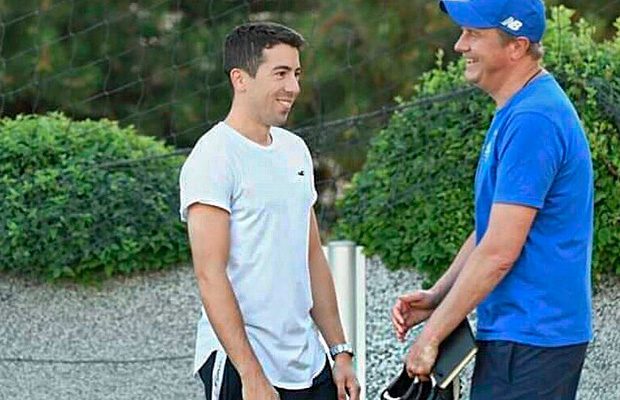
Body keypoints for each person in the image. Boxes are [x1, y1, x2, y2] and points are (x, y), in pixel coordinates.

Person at [391, 1, 594, 399]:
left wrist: (431, 337)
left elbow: (500, 252)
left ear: (516, 46)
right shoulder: (521, 109)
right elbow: (492, 229)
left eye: (474, 34)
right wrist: (438, 298)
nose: (459, 45)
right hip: (523, 335)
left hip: (532, 338)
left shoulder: (533, 120)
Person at [179, 22, 359, 400]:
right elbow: (210, 275)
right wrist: (251, 375)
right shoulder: (213, 157)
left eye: (296, 73)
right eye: (280, 73)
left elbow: (312, 256)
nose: (293, 86)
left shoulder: (295, 150)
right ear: (240, 79)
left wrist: (340, 352)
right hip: (242, 366)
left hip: (309, 364)